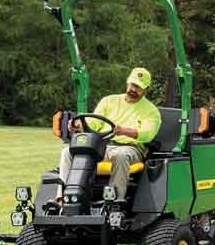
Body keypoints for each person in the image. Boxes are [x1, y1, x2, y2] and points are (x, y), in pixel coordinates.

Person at [59, 67, 162, 203]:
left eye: (138, 87)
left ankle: (114, 201)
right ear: (127, 82)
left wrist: (124, 131)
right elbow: (93, 123)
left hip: (130, 147)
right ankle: (64, 198)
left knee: (120, 155)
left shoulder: (151, 111)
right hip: (103, 145)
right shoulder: (109, 101)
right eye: (132, 84)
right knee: (68, 152)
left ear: (146, 89)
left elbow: (147, 134)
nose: (133, 89)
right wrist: (77, 125)